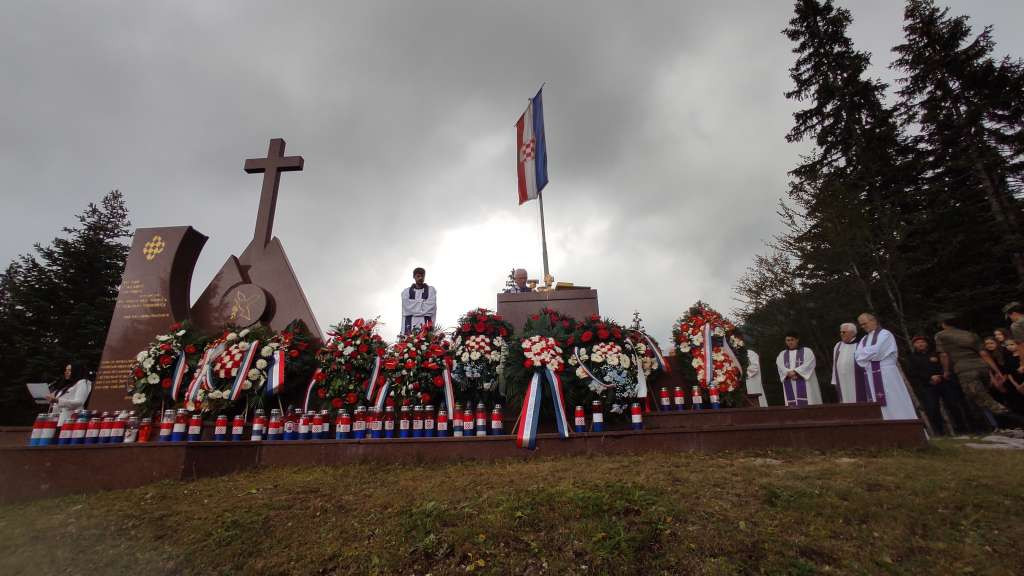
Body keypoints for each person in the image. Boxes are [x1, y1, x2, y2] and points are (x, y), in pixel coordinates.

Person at [935, 315, 1024, 429]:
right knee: (985, 396)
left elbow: (943, 354)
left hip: (965, 370)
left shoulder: (940, 335)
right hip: (982, 367)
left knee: (981, 398)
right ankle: (1000, 424)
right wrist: (997, 371)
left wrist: (946, 371)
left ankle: (1016, 420)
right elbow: (984, 353)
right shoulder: (970, 334)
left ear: (943, 324)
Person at [854, 313, 918, 420]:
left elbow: (878, 351)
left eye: (864, 323)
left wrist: (866, 354)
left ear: (873, 320)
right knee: (877, 401)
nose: (863, 327)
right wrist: (869, 354)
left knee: (894, 398)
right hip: (871, 373)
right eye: (861, 325)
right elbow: (857, 356)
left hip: (887, 372)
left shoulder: (885, 334)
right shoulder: (864, 339)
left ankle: (903, 422)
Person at [905, 336, 966, 435]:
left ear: (927, 343)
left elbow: (944, 365)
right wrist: (929, 377)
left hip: (944, 382)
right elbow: (912, 373)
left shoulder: (936, 354)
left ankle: (962, 429)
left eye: (922, 342)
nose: (920, 344)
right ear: (914, 345)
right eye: (917, 343)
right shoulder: (911, 358)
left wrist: (940, 375)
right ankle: (939, 431)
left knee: (953, 405)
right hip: (927, 386)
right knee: (932, 408)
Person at [775, 331, 822, 406]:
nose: (790, 342)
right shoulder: (782, 354)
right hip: (789, 381)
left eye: (792, 340)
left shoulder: (807, 351)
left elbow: (809, 364)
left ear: (797, 340)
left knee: (809, 402)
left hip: (805, 382)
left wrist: (795, 372)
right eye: (788, 340)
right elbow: (780, 366)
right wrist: (789, 373)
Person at [831, 322, 870, 403]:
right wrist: (834, 380)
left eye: (844, 332)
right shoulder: (838, 345)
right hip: (841, 380)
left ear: (852, 333)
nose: (841, 334)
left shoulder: (860, 344)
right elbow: (835, 364)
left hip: (856, 379)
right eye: (841, 332)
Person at [47, 362, 92, 428]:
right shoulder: (66, 385)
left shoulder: (82, 382)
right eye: (66, 370)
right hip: (55, 421)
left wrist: (57, 400)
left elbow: (79, 402)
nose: (66, 372)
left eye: (69, 370)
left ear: (76, 371)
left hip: (69, 421)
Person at [401, 267, 437, 334]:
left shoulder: (431, 290)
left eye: (422, 276)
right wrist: (423, 304)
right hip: (410, 322)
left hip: (426, 321)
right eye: (418, 276)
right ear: (414, 277)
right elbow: (407, 309)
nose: (420, 278)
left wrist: (414, 305)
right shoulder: (406, 292)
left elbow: (431, 307)